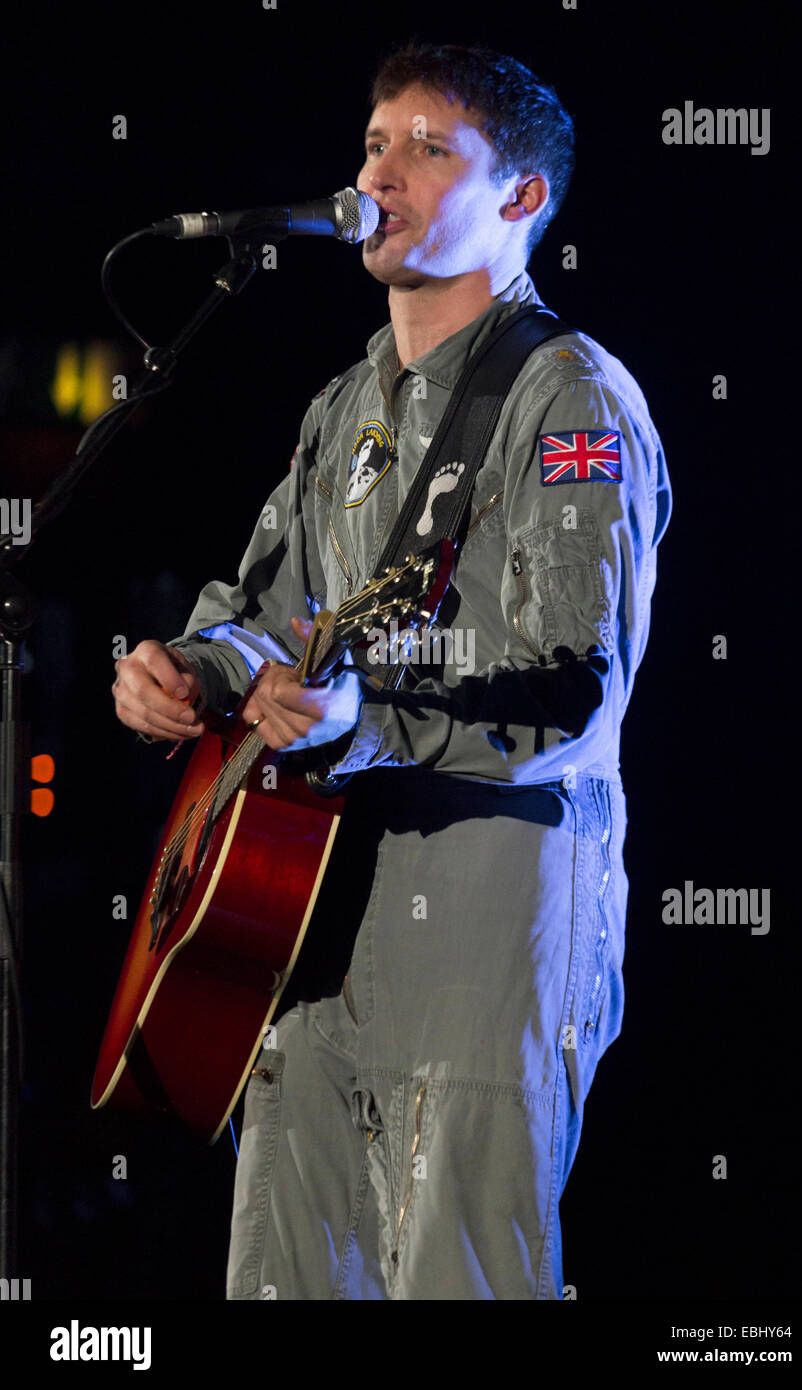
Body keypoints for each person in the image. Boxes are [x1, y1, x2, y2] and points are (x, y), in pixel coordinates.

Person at [111, 42, 671, 1300]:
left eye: (429, 146)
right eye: (374, 142)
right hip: (305, 919)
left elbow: (574, 695)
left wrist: (367, 722)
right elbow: (262, 616)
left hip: (487, 914)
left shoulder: (567, 397)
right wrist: (189, 676)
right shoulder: (343, 406)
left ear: (520, 199)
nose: (382, 170)